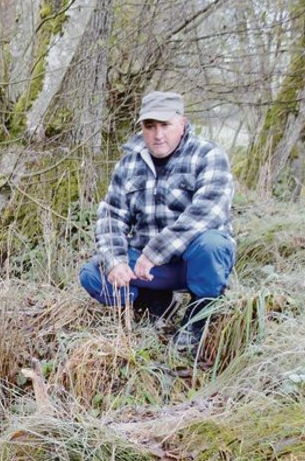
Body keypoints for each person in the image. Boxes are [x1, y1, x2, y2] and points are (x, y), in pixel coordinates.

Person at [79, 91, 235, 355]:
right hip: (146, 267)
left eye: (165, 125)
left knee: (212, 244)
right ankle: (155, 302)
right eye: (150, 126)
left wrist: (156, 251)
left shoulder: (208, 156)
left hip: (191, 262)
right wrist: (115, 260)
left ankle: (198, 317)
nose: (158, 134)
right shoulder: (128, 164)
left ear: (182, 123)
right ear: (142, 127)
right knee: (93, 275)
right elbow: (110, 217)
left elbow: (207, 213)